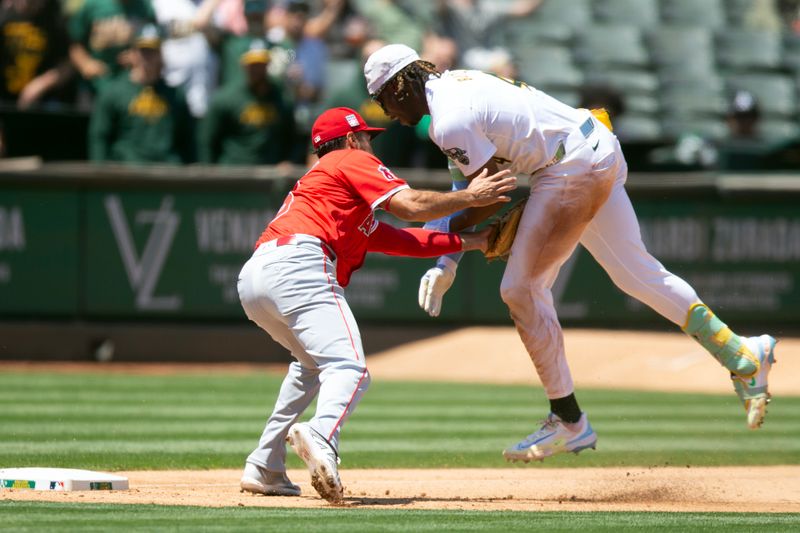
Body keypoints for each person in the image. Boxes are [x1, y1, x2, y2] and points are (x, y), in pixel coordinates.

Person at [364, 43, 778, 463]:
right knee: (637, 274)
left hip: (568, 168)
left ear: (398, 87)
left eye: (383, 102)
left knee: (521, 289)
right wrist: (445, 259)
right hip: (596, 145)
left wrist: (445, 250)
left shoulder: (448, 119)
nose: (389, 114)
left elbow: (487, 199)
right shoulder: (458, 84)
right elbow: (467, 188)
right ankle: (741, 353)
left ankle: (569, 420)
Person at [237, 106, 515, 501]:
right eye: (366, 137)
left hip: (256, 277)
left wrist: (475, 241)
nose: (370, 145)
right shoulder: (348, 160)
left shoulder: (330, 190)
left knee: (311, 368)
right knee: (349, 367)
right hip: (301, 263)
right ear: (351, 140)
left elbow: (404, 238)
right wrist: (471, 196)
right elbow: (410, 205)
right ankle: (321, 435)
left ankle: (265, 465)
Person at [88, 24, 194, 163]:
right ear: (132, 53)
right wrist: (99, 176)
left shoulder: (176, 96)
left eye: (153, 51)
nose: (147, 57)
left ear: (161, 53)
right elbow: (99, 136)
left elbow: (188, 141)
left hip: (167, 174)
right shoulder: (113, 92)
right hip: (128, 174)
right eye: (143, 51)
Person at [200, 38, 294, 164]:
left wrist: (288, 161)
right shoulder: (226, 98)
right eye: (253, 65)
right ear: (244, 66)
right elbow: (207, 140)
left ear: (267, 65)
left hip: (270, 171)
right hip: (234, 171)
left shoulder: (281, 98)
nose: (257, 70)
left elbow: (292, 137)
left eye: (261, 64)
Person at [68, 0, 156, 95]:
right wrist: (85, 63)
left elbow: (155, 45)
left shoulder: (146, 7)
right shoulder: (93, 4)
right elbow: (74, 42)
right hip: (96, 83)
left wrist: (140, 58)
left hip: (133, 83)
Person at [0, 0, 73, 109]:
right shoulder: (3, 17)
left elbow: (69, 64)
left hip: (44, 103)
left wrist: (40, 85)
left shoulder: (54, 20)